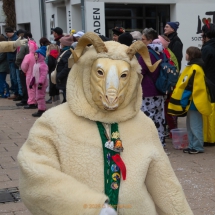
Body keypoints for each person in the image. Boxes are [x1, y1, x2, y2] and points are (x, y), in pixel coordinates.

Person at [17, 32, 193, 215]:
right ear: (85, 72)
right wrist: (90, 208)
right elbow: (35, 175)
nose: (113, 87)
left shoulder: (143, 125)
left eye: (124, 76)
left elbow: (165, 184)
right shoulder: (54, 123)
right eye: (99, 72)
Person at [168, 47, 211, 153]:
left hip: (194, 101)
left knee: (195, 125)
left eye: (186, 53)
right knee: (191, 125)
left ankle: (197, 146)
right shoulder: (195, 67)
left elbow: (189, 86)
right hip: (194, 101)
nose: (185, 55)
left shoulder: (195, 68)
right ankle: (193, 145)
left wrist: (183, 100)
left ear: (190, 55)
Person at [139, 28, 166, 146]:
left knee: (147, 118)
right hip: (160, 89)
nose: (141, 41)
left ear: (150, 40)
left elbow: (140, 71)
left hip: (147, 90)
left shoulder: (147, 53)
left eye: (143, 39)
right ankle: (160, 143)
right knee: (159, 118)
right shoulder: (162, 52)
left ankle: (148, 145)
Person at [153, 35, 179, 138]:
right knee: (168, 110)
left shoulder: (164, 53)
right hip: (169, 85)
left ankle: (173, 131)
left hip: (166, 86)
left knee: (168, 110)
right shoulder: (166, 52)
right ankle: (172, 131)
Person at [201, 22, 215, 145]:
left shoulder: (207, 48)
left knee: (209, 110)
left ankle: (210, 138)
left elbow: (202, 66)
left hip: (209, 82)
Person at [15, 31, 34, 107]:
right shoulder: (34, 44)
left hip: (24, 67)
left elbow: (19, 56)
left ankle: (25, 99)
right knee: (31, 85)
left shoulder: (24, 45)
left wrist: (18, 64)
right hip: (32, 67)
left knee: (24, 84)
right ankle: (31, 99)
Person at [5, 27, 23, 101]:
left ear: (9, 32)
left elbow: (15, 50)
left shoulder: (15, 39)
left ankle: (17, 93)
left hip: (13, 60)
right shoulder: (11, 39)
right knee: (13, 78)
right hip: (11, 60)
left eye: (6, 33)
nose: (6, 35)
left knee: (15, 78)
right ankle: (16, 93)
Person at [30, 46, 48, 117]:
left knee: (40, 97)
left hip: (41, 84)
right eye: (35, 54)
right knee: (37, 96)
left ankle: (41, 110)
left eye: (37, 55)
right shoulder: (35, 64)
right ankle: (41, 109)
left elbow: (43, 75)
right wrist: (31, 82)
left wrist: (40, 83)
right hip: (36, 83)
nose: (35, 56)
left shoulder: (43, 65)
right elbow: (33, 75)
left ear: (41, 56)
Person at [21, 40, 38, 109]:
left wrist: (25, 71)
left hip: (30, 74)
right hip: (38, 74)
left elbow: (24, 66)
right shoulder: (38, 55)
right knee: (37, 89)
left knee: (30, 88)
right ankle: (37, 101)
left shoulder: (28, 56)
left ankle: (32, 102)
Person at [56, 35, 73, 103]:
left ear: (64, 44)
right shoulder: (65, 51)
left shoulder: (67, 53)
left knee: (67, 98)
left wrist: (60, 75)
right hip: (63, 78)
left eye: (61, 42)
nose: (60, 44)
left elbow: (67, 66)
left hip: (64, 78)